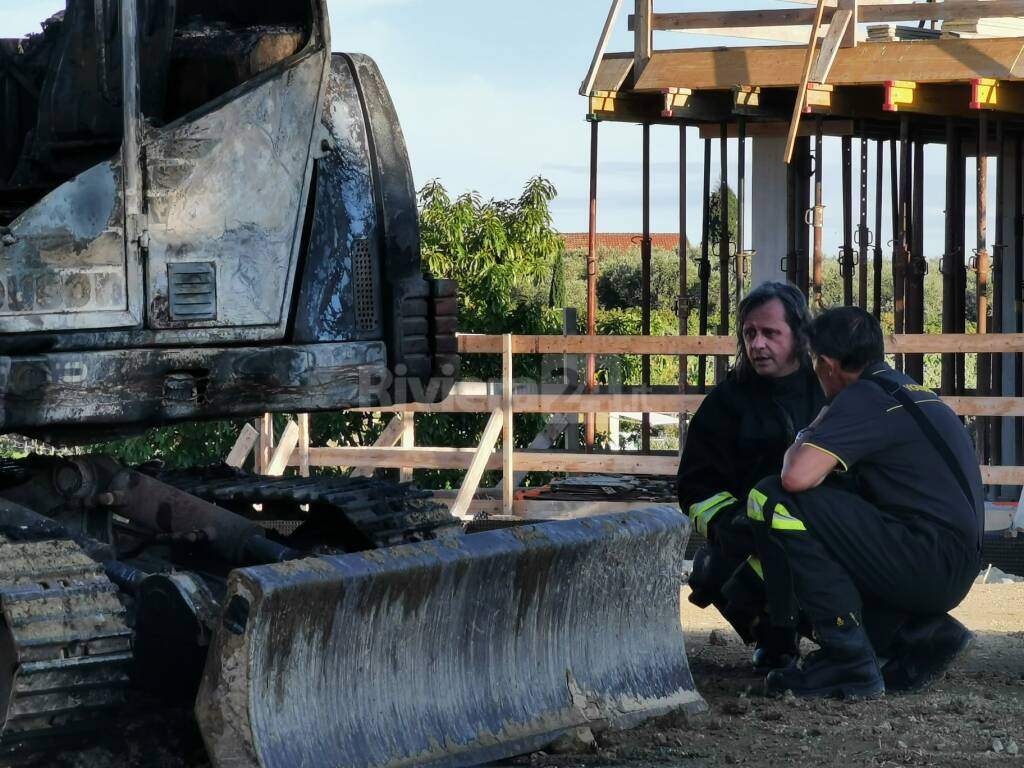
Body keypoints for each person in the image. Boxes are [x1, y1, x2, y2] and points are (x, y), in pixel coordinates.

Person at [749, 307, 981, 698]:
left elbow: (795, 476)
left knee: (771, 499)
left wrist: (808, 431)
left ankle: (848, 660)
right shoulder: (909, 390)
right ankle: (918, 633)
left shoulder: (862, 398)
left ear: (825, 364)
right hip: (953, 558)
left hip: (928, 559)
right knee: (830, 502)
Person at [678, 282, 826, 669]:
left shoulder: (829, 392)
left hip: (829, 536)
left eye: (770, 333)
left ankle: (845, 638)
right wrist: (730, 524)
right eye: (749, 333)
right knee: (711, 570)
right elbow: (694, 486)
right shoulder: (725, 405)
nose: (757, 344)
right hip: (752, 538)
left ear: (798, 334)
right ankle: (776, 640)